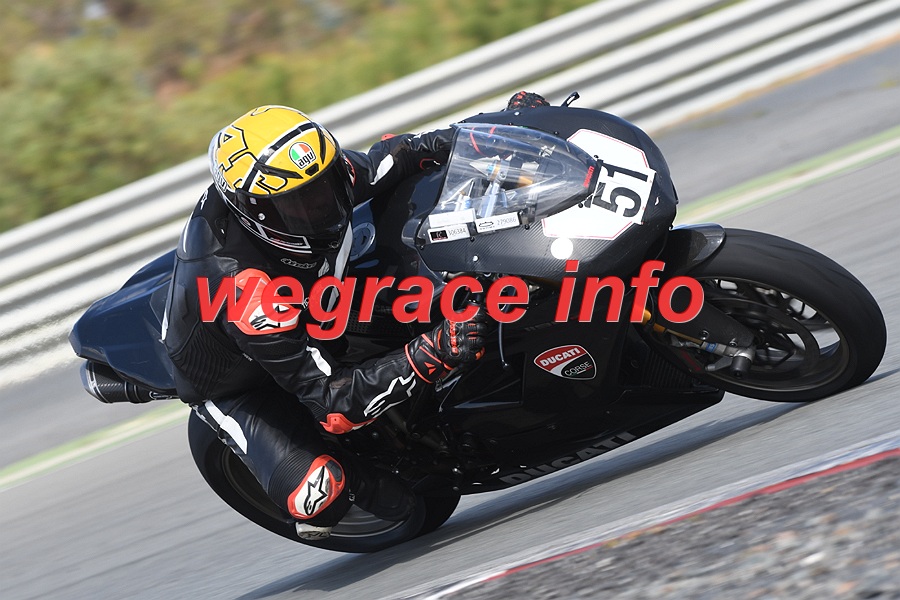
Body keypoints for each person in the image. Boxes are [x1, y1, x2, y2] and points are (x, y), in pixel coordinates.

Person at [162, 103, 500, 540]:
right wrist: (432, 352)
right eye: (299, 204)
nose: (322, 205)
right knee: (323, 496)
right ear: (257, 214)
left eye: (324, 185)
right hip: (238, 382)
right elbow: (332, 404)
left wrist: (483, 137)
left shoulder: (319, 178)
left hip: (313, 304)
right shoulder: (247, 293)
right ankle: (352, 478)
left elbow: (398, 157)